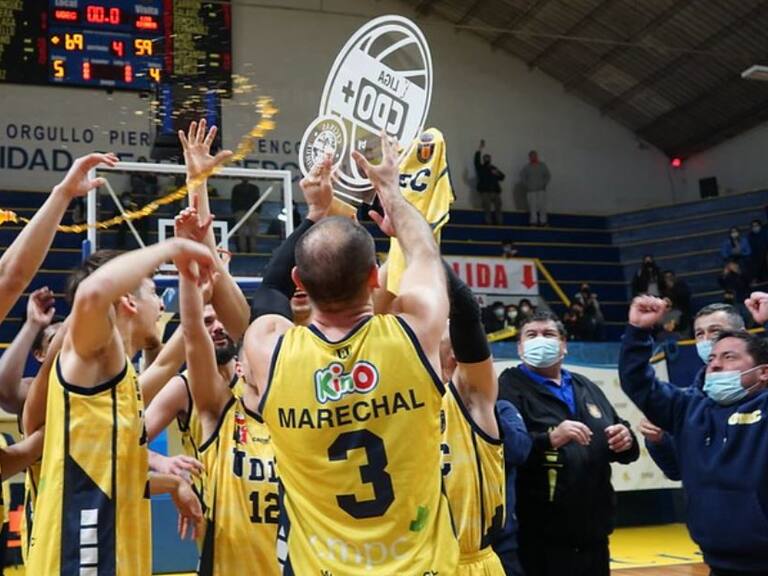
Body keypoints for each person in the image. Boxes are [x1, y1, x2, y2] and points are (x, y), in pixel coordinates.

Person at [243, 136, 459, 573]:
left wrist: (315, 215)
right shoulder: (414, 334)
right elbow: (423, 254)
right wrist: (393, 196)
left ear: (300, 281)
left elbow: (269, 287)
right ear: (375, 276)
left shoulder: (270, 351)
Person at [23, 235, 211, 573]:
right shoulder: (93, 355)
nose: (161, 305)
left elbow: (170, 361)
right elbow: (93, 294)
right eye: (153, 292)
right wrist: (172, 248)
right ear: (128, 301)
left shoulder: (123, 382)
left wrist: (201, 289)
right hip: (79, 559)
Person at [620, 294, 768, 575]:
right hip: (716, 562)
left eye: (728, 356)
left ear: (763, 372)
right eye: (711, 356)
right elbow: (637, 382)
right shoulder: (688, 406)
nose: (714, 363)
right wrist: (638, 331)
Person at [498, 311, 639, 576]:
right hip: (539, 536)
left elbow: (621, 442)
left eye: (548, 334)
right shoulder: (508, 387)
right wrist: (549, 439)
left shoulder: (585, 386)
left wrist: (626, 440)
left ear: (564, 345)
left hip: (594, 531)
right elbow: (506, 450)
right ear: (519, 347)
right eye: (531, 335)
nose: (540, 340)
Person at [439, 263, 507, 574]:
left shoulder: (469, 395)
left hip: (470, 563)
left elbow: (466, 312)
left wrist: (417, 236)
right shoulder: (397, 398)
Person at [638, 303, 745, 481]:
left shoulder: (761, 389)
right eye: (700, 334)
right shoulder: (690, 401)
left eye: (715, 331)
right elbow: (677, 471)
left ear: (742, 334)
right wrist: (658, 439)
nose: (706, 340)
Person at [475, 140, 506, 225]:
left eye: (488, 158)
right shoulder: (481, 168)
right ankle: (488, 222)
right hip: (485, 191)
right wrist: (480, 149)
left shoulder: (493, 168)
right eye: (485, 158)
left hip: (495, 191)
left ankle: (500, 222)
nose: (487, 159)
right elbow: (476, 160)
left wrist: (497, 173)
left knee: (498, 208)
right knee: (487, 208)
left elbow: (502, 177)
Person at [520, 150, 551, 226]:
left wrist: (544, 184)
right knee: (532, 207)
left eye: (534, 155)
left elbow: (548, 175)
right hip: (531, 191)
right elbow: (522, 177)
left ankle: (543, 221)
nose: (533, 157)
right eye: (531, 156)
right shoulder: (526, 167)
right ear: (529, 157)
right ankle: (533, 222)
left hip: (541, 190)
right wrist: (527, 185)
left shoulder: (542, 165)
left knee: (542, 206)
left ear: (537, 156)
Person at [230, 177, 261, 252]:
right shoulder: (238, 188)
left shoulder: (253, 188)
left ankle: (252, 250)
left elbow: (258, 200)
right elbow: (234, 201)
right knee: (242, 233)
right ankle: (243, 250)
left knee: (252, 232)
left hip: (251, 211)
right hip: (242, 211)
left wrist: (257, 211)